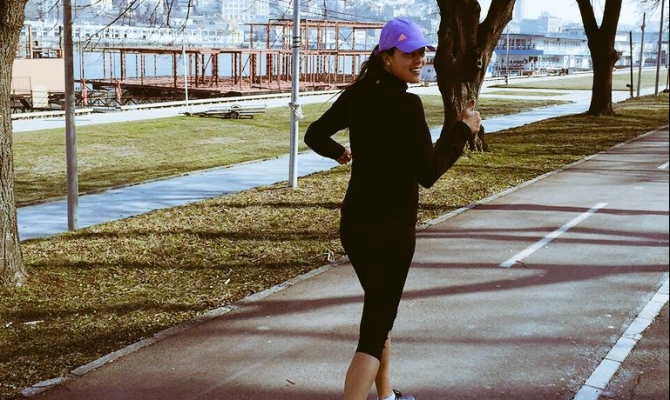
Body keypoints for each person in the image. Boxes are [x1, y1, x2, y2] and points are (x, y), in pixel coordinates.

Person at [304, 17, 481, 400]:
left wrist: (337, 152)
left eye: (422, 53)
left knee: (379, 315)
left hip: (356, 227)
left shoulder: (359, 94)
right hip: (390, 234)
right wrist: (463, 130)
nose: (418, 60)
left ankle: (386, 396)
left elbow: (314, 134)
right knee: (373, 331)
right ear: (387, 57)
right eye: (409, 54)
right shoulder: (407, 105)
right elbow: (428, 172)